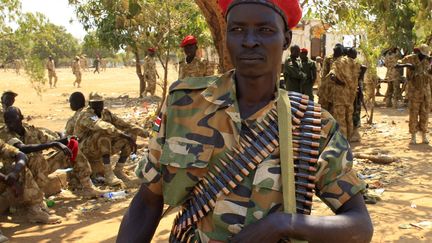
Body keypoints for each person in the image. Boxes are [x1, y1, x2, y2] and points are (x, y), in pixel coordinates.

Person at [117, 1, 373, 242]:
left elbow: (360, 226)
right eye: (237, 29)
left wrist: (284, 224)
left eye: (264, 29)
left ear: (286, 39)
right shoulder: (182, 104)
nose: (249, 41)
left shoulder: (312, 123)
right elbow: (148, 200)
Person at [0, 107, 101, 198]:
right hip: (21, 169)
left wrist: (66, 140)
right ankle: (38, 200)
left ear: (21, 117)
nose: (11, 124)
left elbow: (50, 140)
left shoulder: (30, 129)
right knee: (36, 158)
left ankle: (86, 186)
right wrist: (53, 145)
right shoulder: (4, 133)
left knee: (70, 148)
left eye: (14, 120)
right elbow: (23, 148)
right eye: (8, 122)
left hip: (40, 166)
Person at [73, 93, 139, 186]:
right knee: (103, 133)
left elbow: (123, 124)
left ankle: (118, 170)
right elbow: (101, 125)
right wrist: (122, 134)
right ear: (90, 104)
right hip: (84, 149)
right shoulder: (86, 114)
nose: (98, 105)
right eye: (95, 103)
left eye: (100, 102)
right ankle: (108, 174)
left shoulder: (105, 113)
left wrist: (144, 132)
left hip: (100, 147)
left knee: (130, 134)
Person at [396, 44, 432, 145]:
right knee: (413, 113)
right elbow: (399, 63)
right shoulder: (410, 58)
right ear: (419, 52)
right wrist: (405, 66)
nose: (424, 56)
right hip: (414, 91)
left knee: (425, 114)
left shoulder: (428, 60)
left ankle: (424, 135)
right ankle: (413, 136)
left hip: (426, 91)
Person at [347, 48, 367, 142]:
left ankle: (354, 133)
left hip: (354, 92)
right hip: (353, 91)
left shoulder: (351, 65)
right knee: (354, 111)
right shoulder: (355, 65)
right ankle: (354, 133)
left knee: (354, 111)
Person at [318, 44, 345, 113]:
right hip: (328, 85)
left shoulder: (343, 59)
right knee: (324, 106)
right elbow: (324, 73)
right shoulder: (328, 58)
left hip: (338, 88)